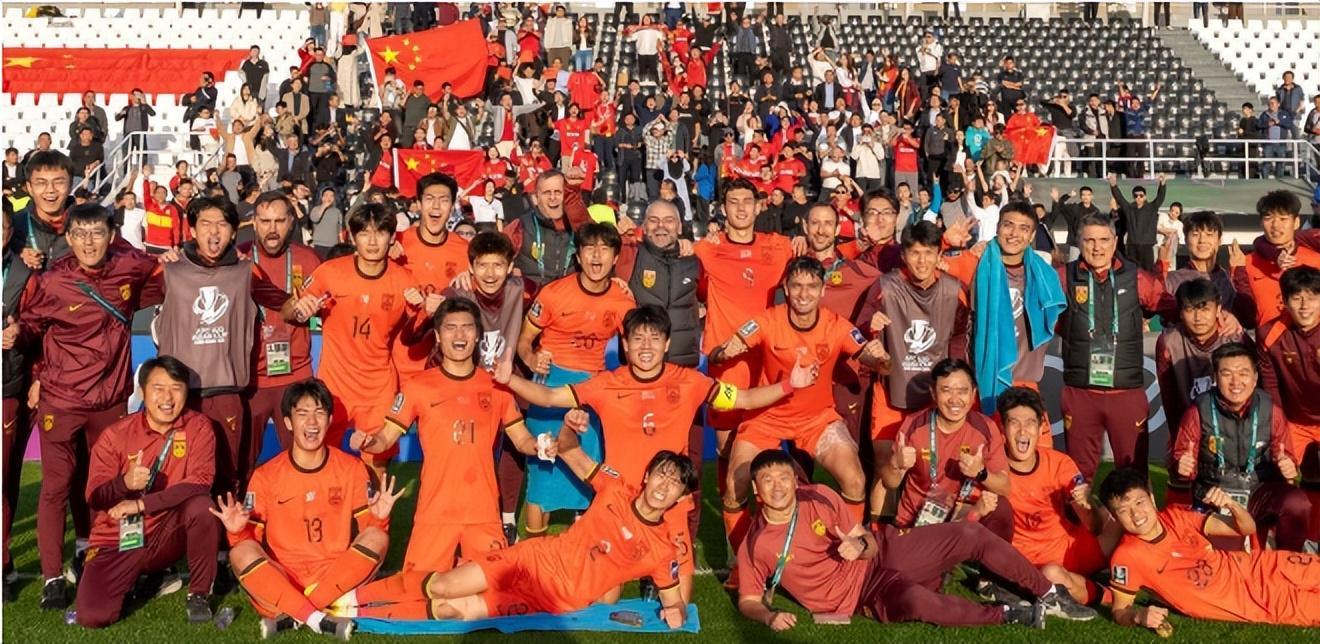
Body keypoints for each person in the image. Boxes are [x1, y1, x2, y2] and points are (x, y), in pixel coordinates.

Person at [500, 303, 819, 598]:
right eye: (638, 339)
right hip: (617, 503)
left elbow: (745, 399)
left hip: (669, 505)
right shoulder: (605, 384)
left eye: (654, 338)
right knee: (601, 604)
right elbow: (548, 397)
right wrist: (509, 379)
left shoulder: (691, 382)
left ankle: (653, 577)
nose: (646, 346)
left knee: (681, 603)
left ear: (667, 344)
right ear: (625, 345)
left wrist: (789, 385)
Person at [736, 449, 1094, 631]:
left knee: (970, 532)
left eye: (784, 477)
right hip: (862, 594)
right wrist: (768, 618)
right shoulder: (755, 545)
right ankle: (1010, 615)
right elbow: (749, 601)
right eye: (768, 480)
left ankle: (1049, 593)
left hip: (882, 554)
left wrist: (858, 546)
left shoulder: (819, 496)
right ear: (755, 488)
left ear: (795, 480)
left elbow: (867, 541)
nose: (778, 487)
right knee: (918, 601)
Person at [349, 445, 695, 628]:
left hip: (554, 598)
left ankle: (356, 615)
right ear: (647, 475)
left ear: (681, 497)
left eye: (675, 483)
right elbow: (570, 449)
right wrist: (570, 428)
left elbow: (673, 600)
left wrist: (676, 612)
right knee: (444, 585)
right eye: (661, 475)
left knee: (450, 609)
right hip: (531, 558)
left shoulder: (661, 550)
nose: (664, 486)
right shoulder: (614, 488)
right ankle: (352, 598)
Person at [5, 204, 158, 609]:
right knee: (55, 487)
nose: (90, 242)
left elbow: (163, 275)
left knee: (105, 484)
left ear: (112, 236)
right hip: (63, 400)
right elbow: (33, 327)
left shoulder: (130, 265)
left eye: (98, 233)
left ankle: (98, 554)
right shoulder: (53, 280)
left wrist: (179, 255)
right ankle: (52, 577)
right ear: (69, 238)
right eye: (81, 234)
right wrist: (21, 337)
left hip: (110, 401)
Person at [712, 256, 886, 552]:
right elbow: (718, 354)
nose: (804, 293)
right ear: (786, 288)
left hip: (817, 420)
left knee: (855, 480)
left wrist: (882, 359)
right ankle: (742, 558)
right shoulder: (767, 321)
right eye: (797, 286)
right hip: (765, 418)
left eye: (812, 286)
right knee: (734, 484)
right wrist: (724, 353)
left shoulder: (836, 326)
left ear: (822, 290)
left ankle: (852, 553)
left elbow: (876, 361)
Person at [354, 298, 541, 571]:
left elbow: (522, 439)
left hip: (483, 511)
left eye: (467, 327)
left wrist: (543, 445)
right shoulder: (418, 386)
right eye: (450, 328)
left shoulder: (496, 386)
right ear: (439, 336)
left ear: (477, 336)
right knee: (418, 588)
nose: (459, 335)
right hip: (435, 511)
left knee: (492, 590)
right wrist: (369, 441)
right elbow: (386, 438)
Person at [139, 197, 293, 495]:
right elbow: (127, 300)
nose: (213, 232)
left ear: (234, 232)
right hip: (179, 393)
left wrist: (309, 303)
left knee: (227, 476)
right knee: (174, 475)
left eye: (222, 224)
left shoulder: (246, 271)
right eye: (206, 224)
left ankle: (226, 527)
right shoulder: (170, 269)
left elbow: (285, 304)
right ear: (192, 230)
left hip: (226, 392)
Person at [216, 378, 385, 639]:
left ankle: (298, 613)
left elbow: (368, 532)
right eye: (302, 414)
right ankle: (319, 616)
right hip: (283, 579)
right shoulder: (266, 475)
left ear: (330, 420)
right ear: (287, 422)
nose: (312, 422)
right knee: (239, 552)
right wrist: (237, 532)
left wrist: (380, 519)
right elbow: (250, 545)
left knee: (378, 537)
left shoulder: (351, 469)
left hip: (335, 577)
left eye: (319, 413)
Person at [73, 356, 218, 626]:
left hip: (166, 532)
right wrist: (124, 483)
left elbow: (201, 482)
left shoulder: (198, 426)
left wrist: (141, 504)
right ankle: (147, 579)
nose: (167, 398)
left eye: (176, 388)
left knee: (202, 507)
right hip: (118, 537)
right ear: (142, 391)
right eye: (158, 388)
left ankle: (198, 593)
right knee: (92, 616)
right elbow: (94, 497)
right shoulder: (116, 434)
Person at [286, 204, 424, 476]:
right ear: (352, 236)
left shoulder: (403, 279)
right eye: (364, 233)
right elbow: (289, 312)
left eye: (380, 233)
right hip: (335, 385)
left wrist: (421, 312)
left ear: (391, 237)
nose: (372, 241)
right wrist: (299, 309)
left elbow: (411, 338)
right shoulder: (330, 272)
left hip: (378, 387)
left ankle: (375, 506)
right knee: (322, 461)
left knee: (376, 463)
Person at [516, 222, 635, 537]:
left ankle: (583, 554)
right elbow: (523, 342)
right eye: (589, 249)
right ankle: (535, 555)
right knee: (542, 474)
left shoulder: (623, 301)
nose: (596, 256)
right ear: (579, 256)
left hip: (591, 394)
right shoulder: (554, 294)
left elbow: (634, 350)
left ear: (615, 258)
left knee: (588, 473)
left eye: (604, 249)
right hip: (550, 389)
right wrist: (532, 359)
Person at [1102, 467, 1320, 630]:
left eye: (1139, 503)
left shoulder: (1177, 515)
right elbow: (1119, 610)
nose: (1136, 515)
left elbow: (1247, 528)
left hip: (1261, 565)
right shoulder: (1128, 555)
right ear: (1115, 517)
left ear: (1151, 498)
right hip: (1255, 600)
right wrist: (1139, 616)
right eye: (1124, 510)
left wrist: (1231, 505)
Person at [857, 221, 970, 514]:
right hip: (891, 390)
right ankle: (881, 531)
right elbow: (858, 330)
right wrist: (869, 327)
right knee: (886, 463)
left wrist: (956, 378)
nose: (922, 261)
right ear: (904, 255)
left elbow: (960, 337)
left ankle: (927, 530)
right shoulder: (885, 286)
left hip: (935, 394)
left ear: (939, 255)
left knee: (937, 466)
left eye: (929, 253)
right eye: (915, 253)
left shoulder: (954, 290)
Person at [1056, 214, 1177, 480]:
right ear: (1079, 242)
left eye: (1103, 240)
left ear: (1115, 241)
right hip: (1080, 391)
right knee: (1077, 478)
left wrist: (1224, 318)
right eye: (1089, 240)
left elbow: (1173, 308)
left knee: (1134, 475)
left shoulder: (1136, 278)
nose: (1097, 247)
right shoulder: (1063, 277)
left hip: (1126, 391)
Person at [1171, 342, 1309, 551]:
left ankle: (1287, 561)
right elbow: (1181, 463)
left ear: (1255, 378)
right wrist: (1183, 468)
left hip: (1258, 491)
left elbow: (1286, 460)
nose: (1236, 381)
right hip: (1216, 495)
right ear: (1215, 378)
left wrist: (1289, 468)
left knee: (1297, 503)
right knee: (1231, 563)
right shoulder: (1197, 411)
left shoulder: (1271, 411)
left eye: (1243, 373)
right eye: (1226, 374)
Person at [442, 232, 530, 543]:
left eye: (498, 265)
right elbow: (421, 331)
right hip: (468, 386)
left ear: (510, 267)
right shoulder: (457, 291)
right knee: (468, 450)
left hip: (507, 381)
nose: (490, 273)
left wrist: (616, 280)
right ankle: (462, 515)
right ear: (471, 267)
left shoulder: (522, 288)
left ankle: (507, 518)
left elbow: (560, 289)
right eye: (482, 265)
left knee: (513, 449)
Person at [999, 387, 1110, 605]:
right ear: (1002, 428)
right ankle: (1109, 597)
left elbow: (1095, 526)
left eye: (1030, 423)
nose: (1022, 431)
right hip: (1036, 565)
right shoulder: (994, 470)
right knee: (1052, 575)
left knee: (1124, 511)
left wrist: (1085, 505)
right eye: (1014, 423)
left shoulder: (1060, 462)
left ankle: (1136, 575)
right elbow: (969, 519)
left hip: (1073, 549)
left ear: (1041, 428)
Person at [238, 193, 321, 461]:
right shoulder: (237, 258)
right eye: (265, 221)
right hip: (249, 378)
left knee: (302, 458)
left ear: (291, 222)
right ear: (254, 222)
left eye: (279, 221)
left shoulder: (308, 259)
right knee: (241, 462)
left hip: (296, 374)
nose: (272, 229)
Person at [1156, 278, 1250, 501]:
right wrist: (1177, 439)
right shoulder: (1169, 341)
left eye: (1205, 309)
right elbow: (1169, 397)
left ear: (1218, 309)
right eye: (1190, 310)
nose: (1198, 318)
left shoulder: (1236, 337)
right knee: (1182, 476)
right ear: (1180, 313)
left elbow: (1254, 389)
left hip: (1232, 428)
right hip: (1189, 426)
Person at [1257, 265, 1320, 552]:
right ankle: (1283, 548)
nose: (1305, 305)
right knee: (1283, 476)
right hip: (1293, 420)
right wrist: (1279, 433)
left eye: (1313, 296)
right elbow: (1271, 388)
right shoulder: (1270, 334)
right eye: (1297, 297)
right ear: (1284, 300)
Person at [393, 173, 470, 373]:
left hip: (444, 362)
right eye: (429, 199)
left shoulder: (465, 250)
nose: (436, 206)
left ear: (452, 206)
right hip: (400, 360)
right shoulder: (397, 243)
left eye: (444, 200)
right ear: (418, 204)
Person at [1239, 190, 1320, 328]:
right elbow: (1242, 314)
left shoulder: (1316, 261)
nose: (1276, 225)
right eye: (1268, 218)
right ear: (1261, 222)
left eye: (1283, 218)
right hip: (1268, 340)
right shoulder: (1246, 264)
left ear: (1296, 222)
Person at [1107, 173, 1166, 271]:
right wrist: (1113, 185)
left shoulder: (1152, 208)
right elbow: (1120, 199)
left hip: (1147, 246)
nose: (1138, 197)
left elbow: (1160, 197)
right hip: (1132, 245)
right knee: (1132, 270)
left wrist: (1162, 184)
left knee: (1148, 271)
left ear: (1145, 196)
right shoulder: (1129, 209)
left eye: (1141, 195)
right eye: (1136, 196)